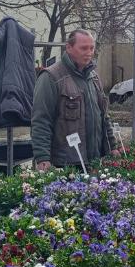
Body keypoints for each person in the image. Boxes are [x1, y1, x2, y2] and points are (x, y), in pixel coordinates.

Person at [31, 30, 117, 170]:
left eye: (92, 48)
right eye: (83, 48)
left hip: (93, 161)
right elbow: (41, 120)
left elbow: (104, 116)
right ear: (69, 48)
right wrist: (43, 157)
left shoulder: (93, 78)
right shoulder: (51, 77)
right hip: (65, 164)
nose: (89, 52)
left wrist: (113, 147)